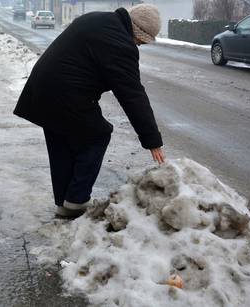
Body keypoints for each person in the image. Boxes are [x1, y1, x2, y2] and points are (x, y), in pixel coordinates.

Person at [13, 4, 166, 218]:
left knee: (61, 142)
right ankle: (76, 199)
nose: (139, 45)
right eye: (141, 40)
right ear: (137, 31)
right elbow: (132, 95)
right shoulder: (120, 43)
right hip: (66, 93)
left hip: (42, 89)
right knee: (98, 134)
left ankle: (65, 205)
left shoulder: (97, 19)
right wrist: (152, 140)